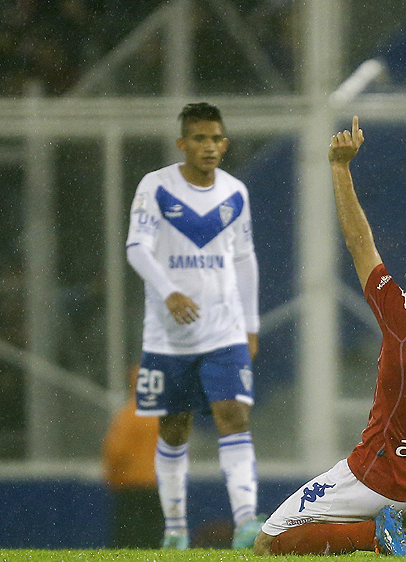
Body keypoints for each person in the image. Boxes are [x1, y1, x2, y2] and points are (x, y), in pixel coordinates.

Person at [253, 117, 406, 557]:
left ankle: (376, 539)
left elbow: (359, 241)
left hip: (374, 478)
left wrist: (339, 167)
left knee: (269, 543)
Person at [125, 102, 262, 550]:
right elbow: (137, 249)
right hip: (168, 336)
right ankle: (176, 530)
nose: (208, 146)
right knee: (174, 427)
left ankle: (245, 521)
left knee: (234, 416)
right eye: (199, 139)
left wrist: (251, 323)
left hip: (223, 333)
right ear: (182, 144)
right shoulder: (156, 187)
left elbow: (244, 259)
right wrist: (169, 291)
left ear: (225, 143)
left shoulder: (235, 193)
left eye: (215, 138)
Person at [101, 364, 163, 548]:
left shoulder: (128, 414)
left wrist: (112, 478)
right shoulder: (162, 415)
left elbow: (115, 451)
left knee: (129, 542)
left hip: (130, 487)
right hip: (157, 487)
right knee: (153, 541)